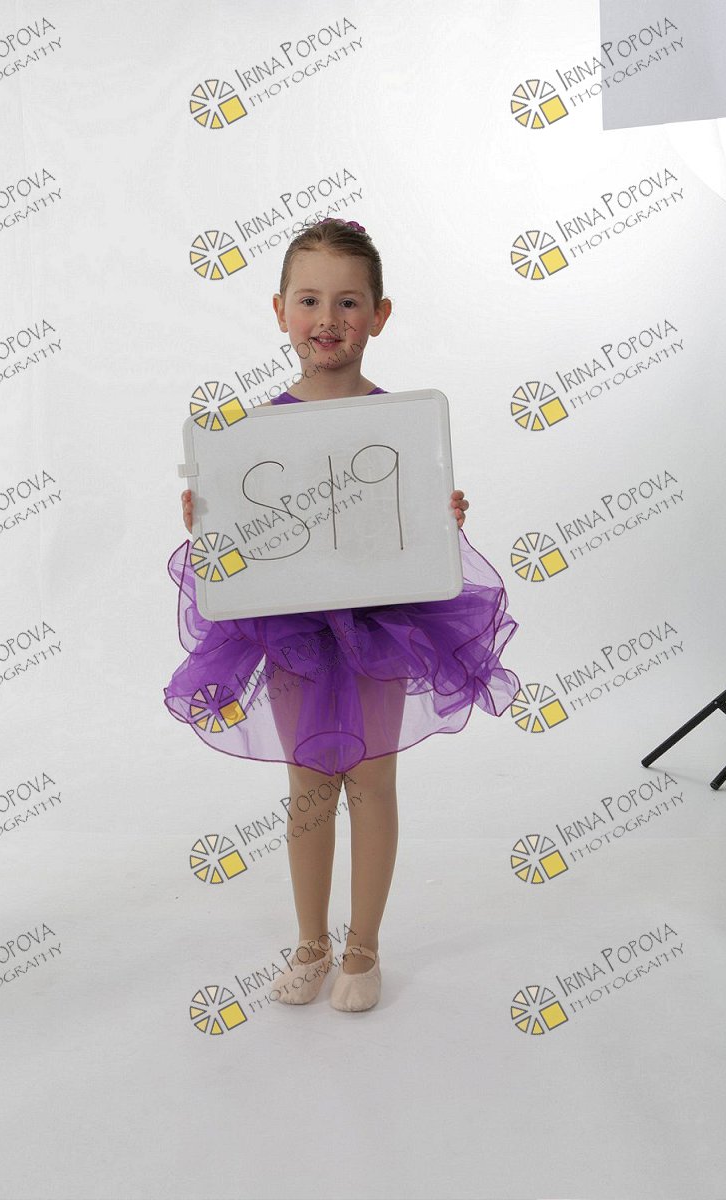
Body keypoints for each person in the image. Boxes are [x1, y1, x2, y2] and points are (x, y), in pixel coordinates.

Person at [165, 217, 521, 1012]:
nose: (328, 319)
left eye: (349, 302)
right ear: (280, 311)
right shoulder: (249, 433)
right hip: (292, 626)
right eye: (310, 301)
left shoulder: (403, 426)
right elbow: (245, 539)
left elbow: (411, 525)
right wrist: (209, 517)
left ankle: (363, 947)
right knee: (308, 785)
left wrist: (441, 515)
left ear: (379, 315)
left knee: (371, 779)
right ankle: (310, 943)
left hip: (380, 623)